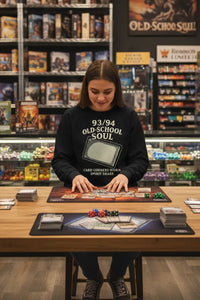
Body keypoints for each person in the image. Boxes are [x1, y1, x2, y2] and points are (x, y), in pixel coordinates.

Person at [52, 60, 149, 300]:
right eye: (94, 91)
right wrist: (74, 175)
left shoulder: (128, 116)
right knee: (72, 230)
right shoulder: (71, 116)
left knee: (141, 230)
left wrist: (125, 174)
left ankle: (116, 275)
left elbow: (140, 160)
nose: (101, 98)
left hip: (122, 195)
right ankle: (93, 276)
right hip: (80, 196)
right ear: (86, 88)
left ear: (117, 89)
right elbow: (60, 160)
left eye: (107, 92)